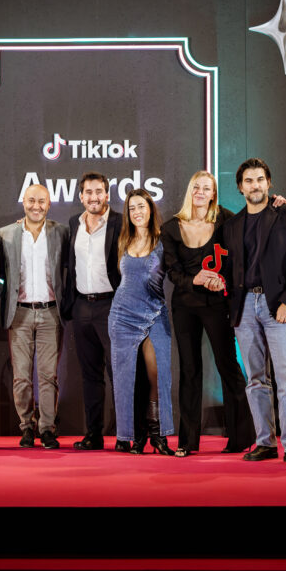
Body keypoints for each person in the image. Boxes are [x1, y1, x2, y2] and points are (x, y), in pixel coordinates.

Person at [223, 158, 286, 466]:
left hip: (279, 305)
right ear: (240, 187)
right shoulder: (232, 225)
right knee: (255, 380)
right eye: (249, 181)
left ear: (269, 182)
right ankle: (265, 442)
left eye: (260, 179)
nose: (255, 185)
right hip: (245, 307)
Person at [161, 171, 255, 457]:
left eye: (207, 188)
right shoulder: (171, 227)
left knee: (228, 366)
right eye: (196, 187)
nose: (201, 192)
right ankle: (188, 441)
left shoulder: (227, 220)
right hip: (185, 306)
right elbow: (172, 271)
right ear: (190, 191)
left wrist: (223, 281)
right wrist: (195, 280)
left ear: (214, 193)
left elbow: (246, 243)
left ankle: (241, 438)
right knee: (189, 370)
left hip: (217, 304)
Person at [0, 184, 69, 449]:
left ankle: (47, 429)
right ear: (23, 202)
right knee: (21, 377)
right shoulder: (6, 234)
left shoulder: (62, 232)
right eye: (31, 200)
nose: (36, 206)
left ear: (49, 204)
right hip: (20, 313)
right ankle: (26, 427)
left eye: (41, 201)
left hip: (51, 312)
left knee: (49, 375)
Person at [64, 172, 129, 451]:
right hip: (81, 306)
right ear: (81, 196)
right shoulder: (73, 224)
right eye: (88, 192)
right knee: (90, 375)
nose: (94, 197)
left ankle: (125, 435)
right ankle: (94, 434)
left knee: (120, 373)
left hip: (112, 305)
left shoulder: (121, 222)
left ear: (107, 194)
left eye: (99, 191)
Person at [108, 189, 174, 454]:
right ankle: (134, 436)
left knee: (157, 376)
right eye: (132, 208)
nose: (137, 212)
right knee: (127, 378)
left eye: (141, 206)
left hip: (155, 313)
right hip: (122, 316)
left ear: (151, 209)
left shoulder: (164, 240)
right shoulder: (123, 239)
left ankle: (158, 435)